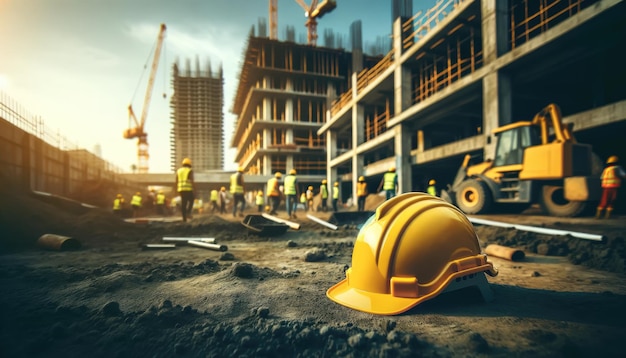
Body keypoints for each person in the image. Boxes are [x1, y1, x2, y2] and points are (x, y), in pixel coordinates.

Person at [176, 157, 195, 222]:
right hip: (188, 189)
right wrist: (194, 189)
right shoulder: (189, 170)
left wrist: (177, 189)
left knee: (184, 203)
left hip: (181, 189)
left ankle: (184, 219)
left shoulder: (178, 171)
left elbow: (176, 180)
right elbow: (192, 180)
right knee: (191, 199)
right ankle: (188, 212)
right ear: (189, 164)